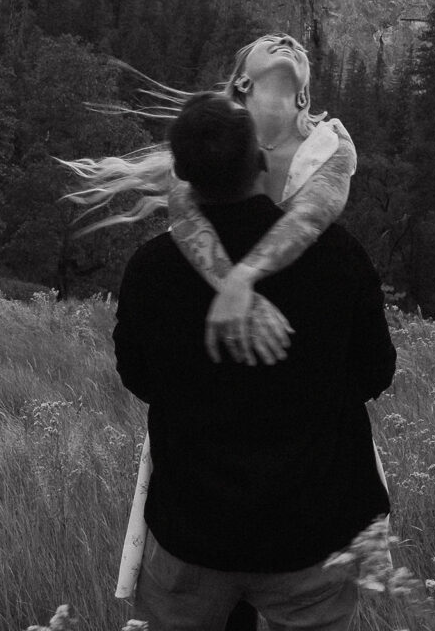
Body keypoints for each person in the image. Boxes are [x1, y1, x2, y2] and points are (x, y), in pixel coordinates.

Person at [65, 33, 374, 623]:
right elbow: (185, 208)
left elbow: (315, 212)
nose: (288, 39)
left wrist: (241, 282)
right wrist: (236, 283)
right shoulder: (207, 139)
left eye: (296, 47)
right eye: (268, 44)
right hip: (288, 511)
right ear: (241, 85)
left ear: (305, 95)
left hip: (213, 510)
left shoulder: (330, 148)